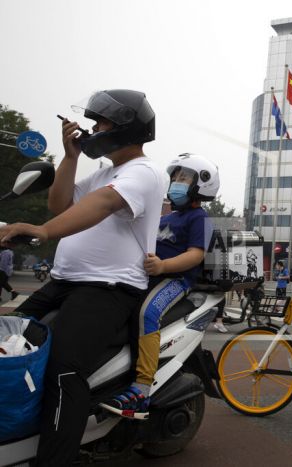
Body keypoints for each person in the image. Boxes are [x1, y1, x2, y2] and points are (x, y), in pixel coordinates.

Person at [0, 89, 167, 466]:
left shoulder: (144, 171)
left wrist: (42, 231)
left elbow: (104, 203)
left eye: (100, 123)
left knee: (64, 371)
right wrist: (71, 157)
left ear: (126, 126)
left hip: (108, 288)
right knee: (8, 340)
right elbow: (59, 205)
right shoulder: (102, 172)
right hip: (64, 282)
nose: (92, 129)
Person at [99, 153, 218, 419]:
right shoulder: (166, 217)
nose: (176, 181)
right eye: (175, 176)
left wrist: (164, 267)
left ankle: (142, 390)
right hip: (147, 277)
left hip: (175, 280)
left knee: (146, 314)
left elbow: (196, 254)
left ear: (201, 184)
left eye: (184, 177)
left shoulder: (199, 218)